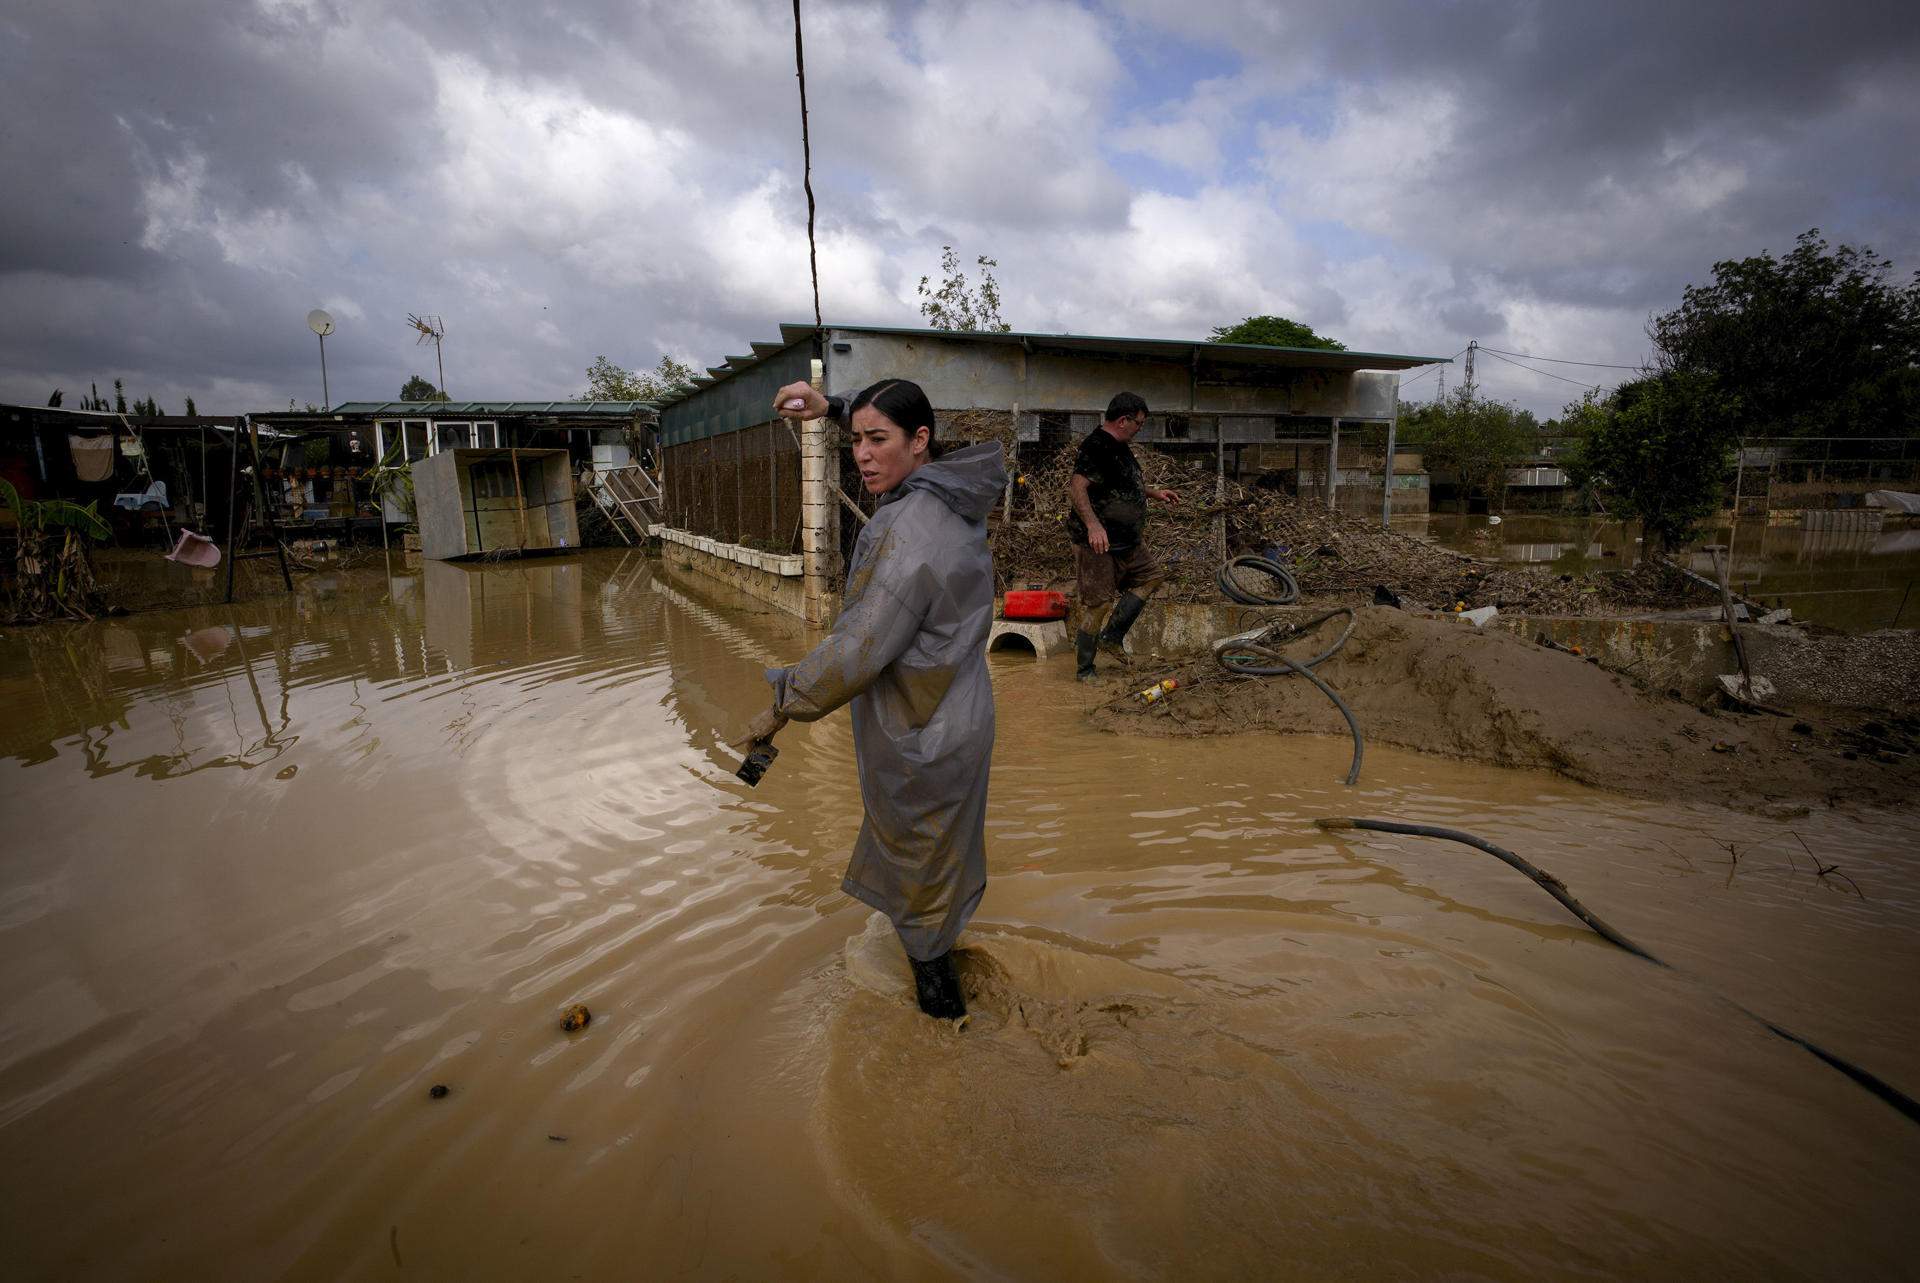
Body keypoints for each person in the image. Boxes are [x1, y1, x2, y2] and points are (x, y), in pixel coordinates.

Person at [735, 378, 1007, 1022]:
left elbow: (857, 650)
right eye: (854, 439)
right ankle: (940, 995)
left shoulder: (906, 531)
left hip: (922, 736)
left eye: (877, 439)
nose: (860, 454)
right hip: (958, 713)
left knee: (920, 892)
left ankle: (943, 1040)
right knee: (933, 867)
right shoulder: (954, 498)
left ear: (920, 441)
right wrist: (832, 406)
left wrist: (780, 705)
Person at [1066, 392, 1180, 681]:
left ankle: (1112, 637)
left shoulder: (1121, 447)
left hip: (1127, 540)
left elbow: (1122, 485)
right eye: (1138, 423)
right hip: (1099, 544)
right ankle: (1085, 670)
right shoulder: (1097, 446)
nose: (1140, 428)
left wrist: (1154, 493)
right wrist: (1093, 525)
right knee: (1099, 604)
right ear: (1123, 420)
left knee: (1152, 577)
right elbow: (1077, 487)